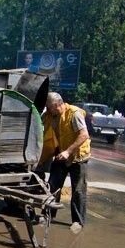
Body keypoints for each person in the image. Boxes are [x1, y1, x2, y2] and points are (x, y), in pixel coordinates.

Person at [39, 92, 90, 231]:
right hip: (61, 153)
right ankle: (48, 214)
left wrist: (69, 151)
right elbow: (38, 122)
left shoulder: (74, 114)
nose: (47, 110)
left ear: (56, 105)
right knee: (53, 185)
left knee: (78, 190)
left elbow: (84, 135)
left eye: (49, 107)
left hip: (78, 156)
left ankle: (77, 222)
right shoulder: (50, 115)